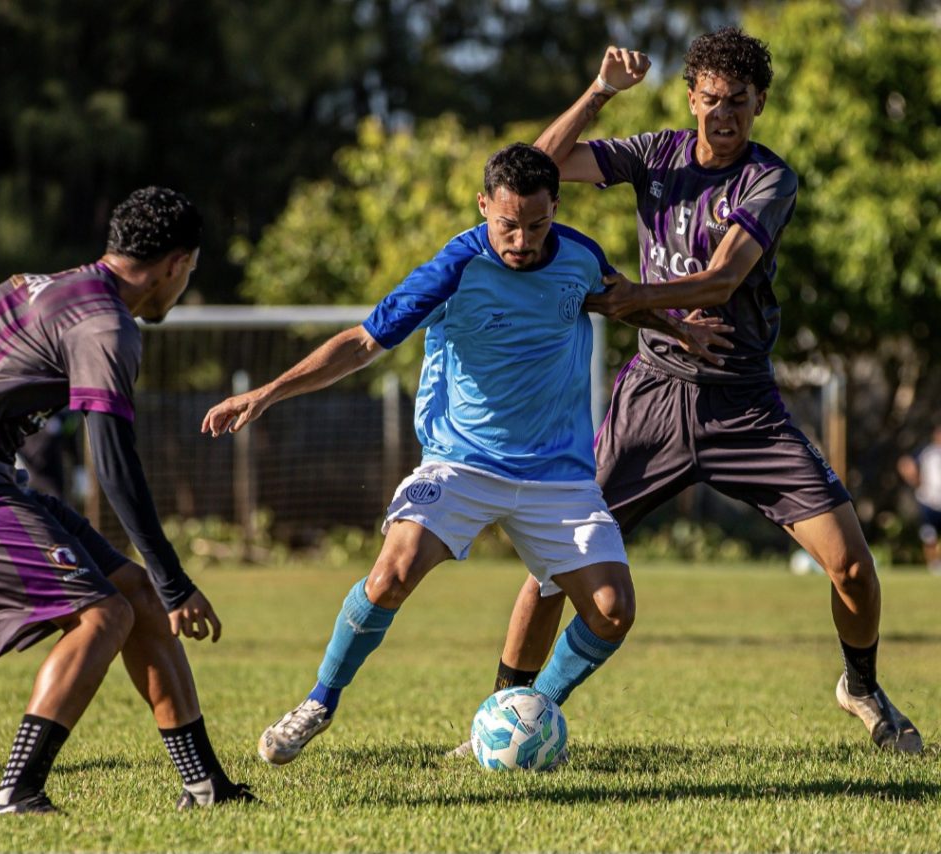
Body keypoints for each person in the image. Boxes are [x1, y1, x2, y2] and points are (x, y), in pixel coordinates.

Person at [456, 28, 922, 755]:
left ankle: (860, 686)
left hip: (743, 405)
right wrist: (600, 91)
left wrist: (634, 296)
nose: (723, 114)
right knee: (554, 566)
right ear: (690, 99)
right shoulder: (654, 155)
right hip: (651, 399)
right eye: (710, 99)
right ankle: (501, 715)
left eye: (738, 101)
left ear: (759, 103)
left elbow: (724, 279)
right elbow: (537, 171)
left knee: (854, 566)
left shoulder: (769, 179)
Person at [202, 143, 728, 765]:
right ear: (483, 206)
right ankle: (319, 701)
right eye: (507, 225)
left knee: (613, 611)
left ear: (556, 208)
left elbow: (620, 300)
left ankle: (519, 715)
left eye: (537, 225)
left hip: (557, 475)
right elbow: (363, 343)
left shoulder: (579, 258)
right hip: (462, 461)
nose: (522, 241)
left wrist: (681, 328)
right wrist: (267, 393)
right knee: (393, 572)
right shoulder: (455, 267)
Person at [0, 187, 254, 813]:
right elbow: (115, 467)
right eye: (191, 272)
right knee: (104, 615)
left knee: (137, 598)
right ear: (178, 264)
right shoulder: (107, 327)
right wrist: (177, 581)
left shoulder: (32, 285)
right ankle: (16, 793)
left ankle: (206, 787)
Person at [897, 424, 941, 574]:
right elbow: (905, 463)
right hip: (928, 500)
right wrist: (914, 479)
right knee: (929, 534)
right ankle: (934, 564)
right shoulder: (927, 452)